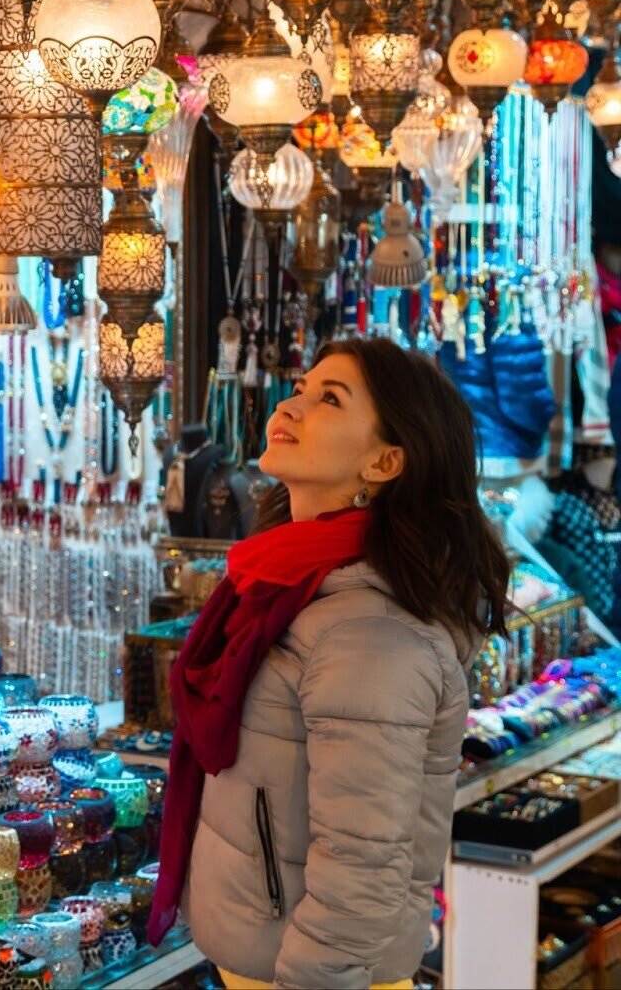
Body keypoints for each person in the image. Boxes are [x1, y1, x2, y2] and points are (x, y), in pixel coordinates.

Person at [148, 337, 510, 989]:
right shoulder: (285, 584)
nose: (293, 406)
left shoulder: (369, 631)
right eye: (301, 387)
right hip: (265, 957)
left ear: (386, 460)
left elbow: (362, 864)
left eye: (329, 399)